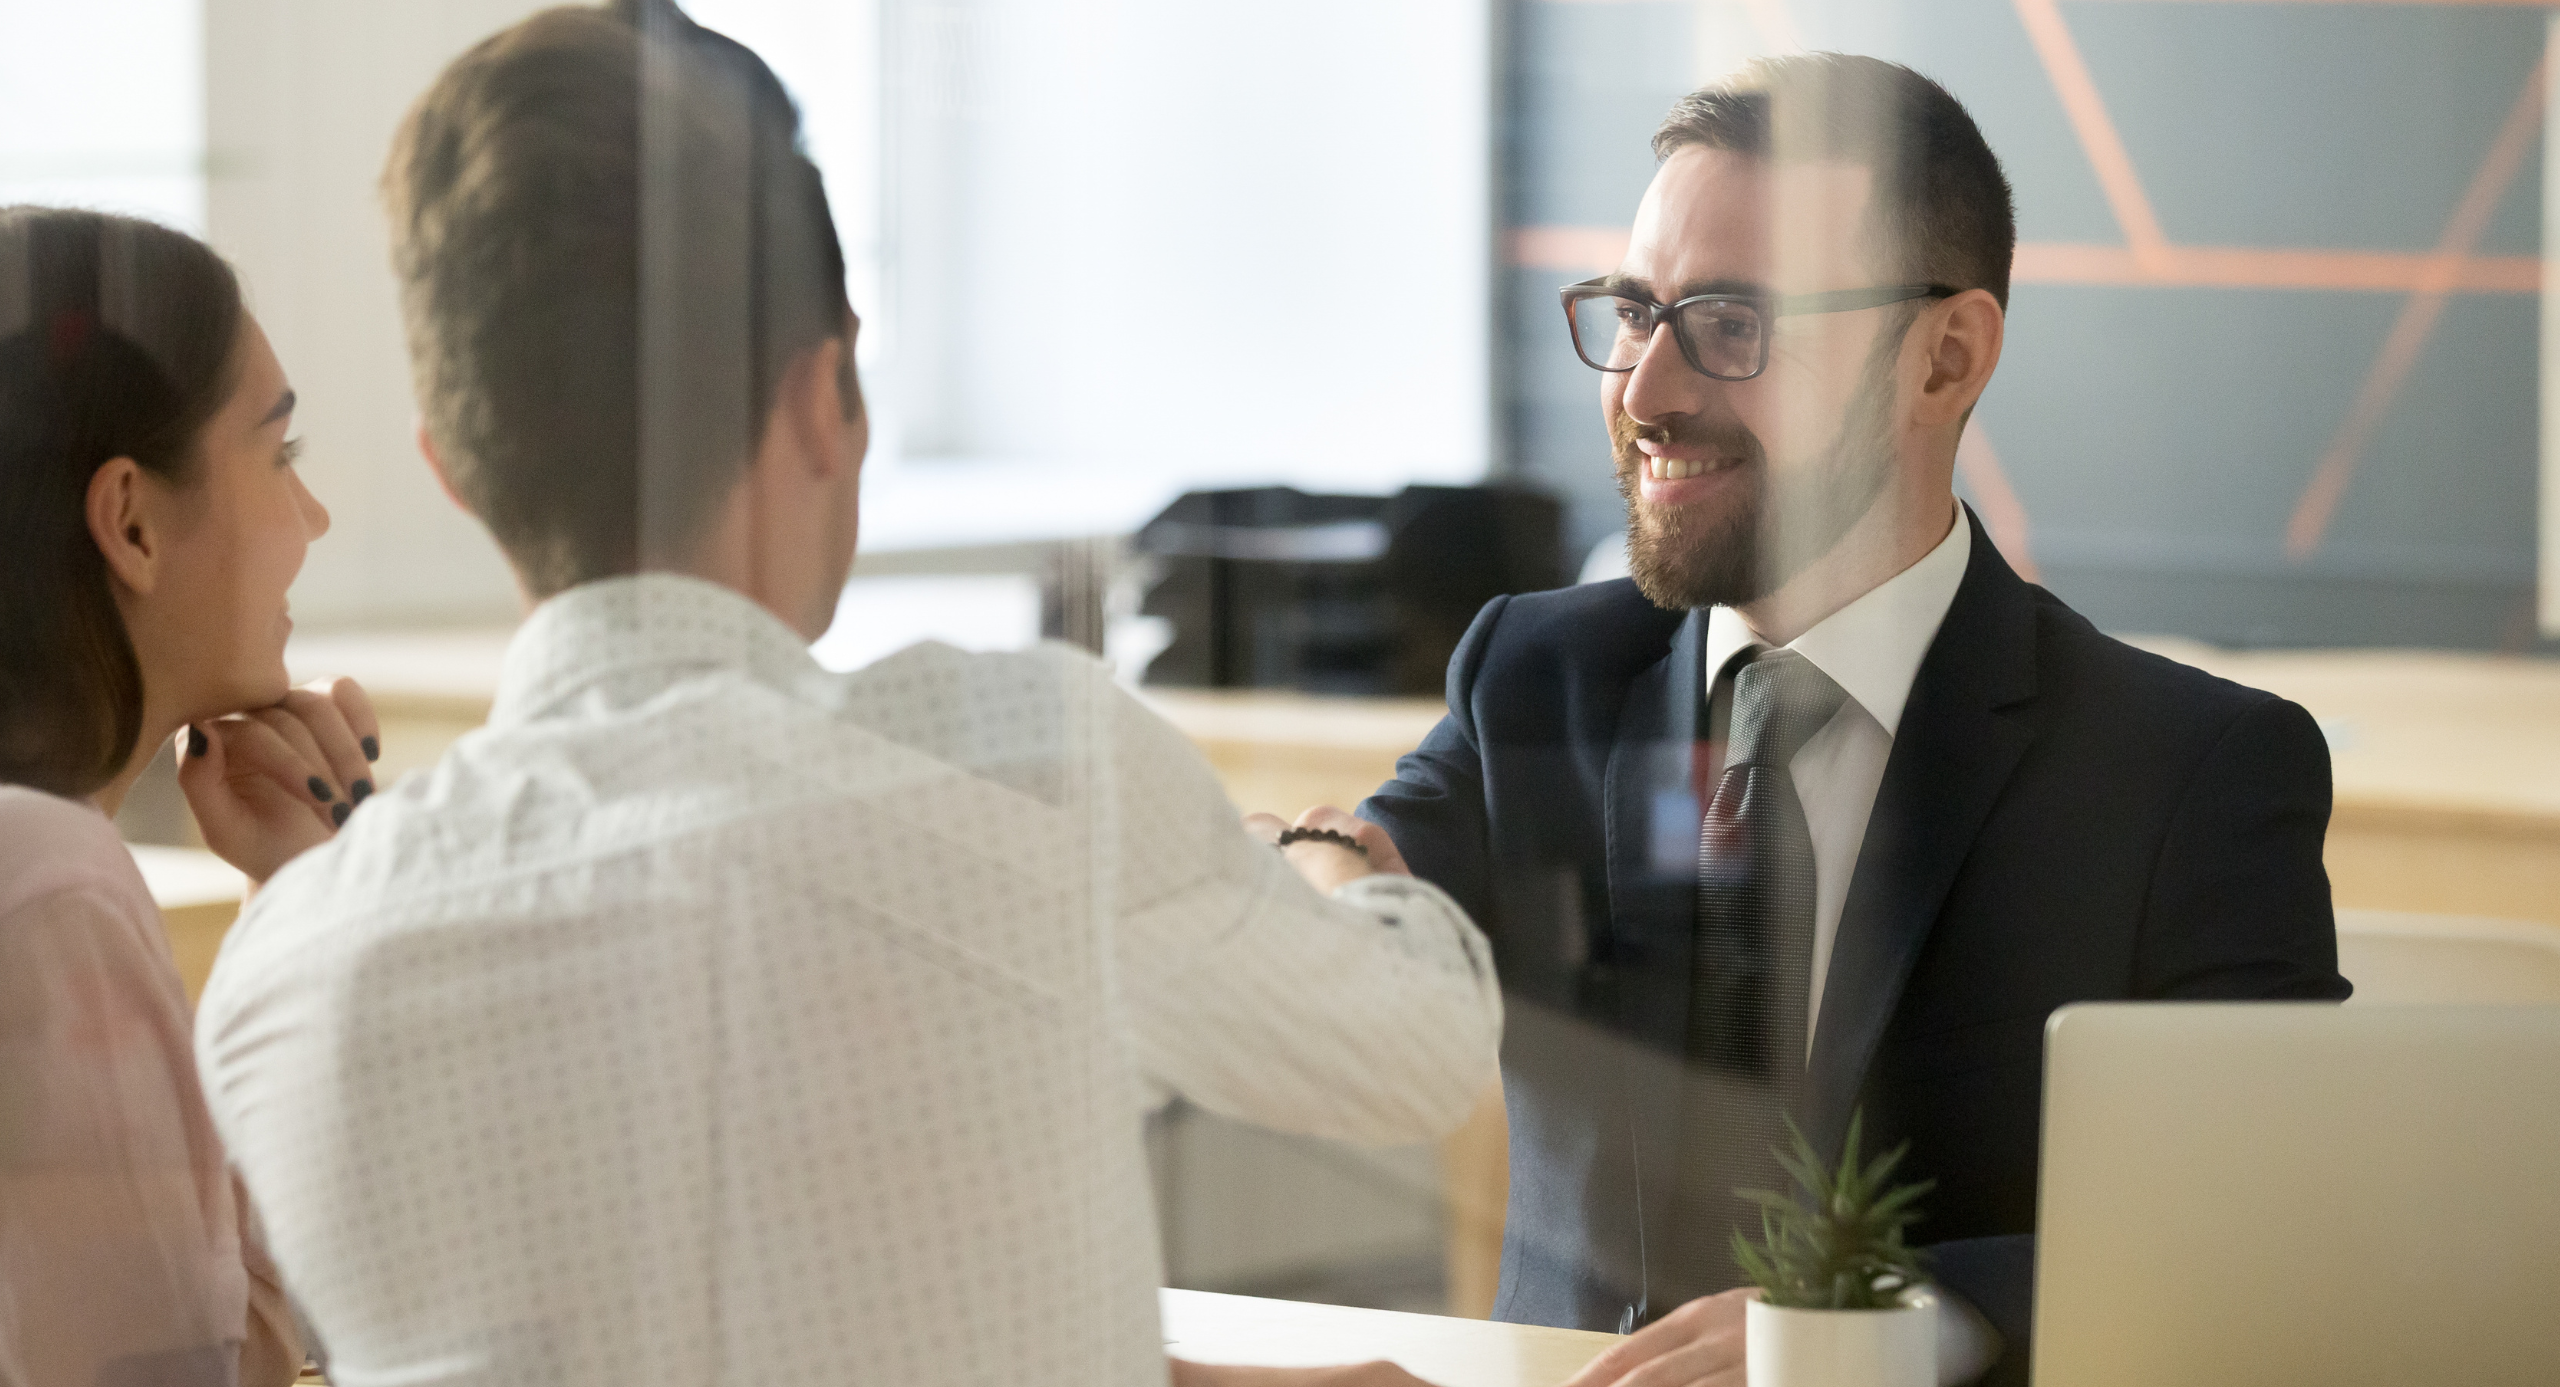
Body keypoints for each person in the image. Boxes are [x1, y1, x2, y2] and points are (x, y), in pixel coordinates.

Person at [190, 5, 1500, 1386]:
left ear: (451, 465)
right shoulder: (1032, 762)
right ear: (824, 395)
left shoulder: (281, 977)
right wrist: (1325, 859)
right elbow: (1418, 1052)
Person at [1357, 54, 2347, 1387]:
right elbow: (1370, 874)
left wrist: (1887, 1318)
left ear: (1946, 356)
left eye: (1733, 323)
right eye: (1636, 312)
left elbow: (2275, 1215)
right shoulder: (1536, 673)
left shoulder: (2189, 769)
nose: (1645, 389)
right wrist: (1312, 859)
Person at [0, 206, 379, 1387]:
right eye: (280, 456)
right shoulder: (49, 889)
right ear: (130, 522)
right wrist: (323, 910)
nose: (310, 520)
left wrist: (293, 899)